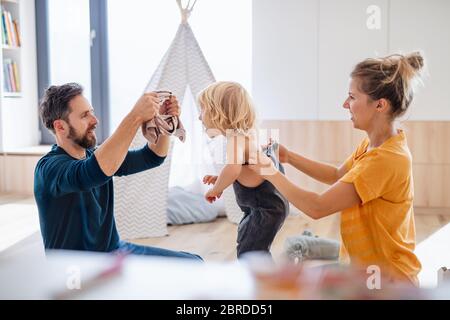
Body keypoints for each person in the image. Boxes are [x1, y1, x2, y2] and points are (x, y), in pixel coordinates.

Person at [250, 52, 425, 286]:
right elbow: (337, 176)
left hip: (387, 282)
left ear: (380, 105)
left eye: (352, 97)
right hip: (364, 271)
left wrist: (269, 172)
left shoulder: (386, 159)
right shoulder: (375, 146)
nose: (345, 104)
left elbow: (317, 207)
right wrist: (289, 157)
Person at [34, 83, 201, 260]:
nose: (95, 120)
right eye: (85, 116)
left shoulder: (95, 156)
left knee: (194, 263)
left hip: (115, 252)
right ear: (60, 127)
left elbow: (152, 156)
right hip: (77, 269)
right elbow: (93, 171)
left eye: (91, 112)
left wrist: (165, 120)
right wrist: (136, 116)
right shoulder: (49, 169)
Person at [199, 81, 289, 258]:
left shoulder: (235, 140)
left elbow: (233, 170)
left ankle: (262, 283)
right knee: (253, 245)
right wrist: (219, 177)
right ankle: (263, 280)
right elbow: (242, 169)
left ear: (218, 113)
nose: (199, 117)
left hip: (264, 208)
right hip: (270, 204)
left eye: (202, 110)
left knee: (250, 251)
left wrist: (216, 189)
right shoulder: (246, 136)